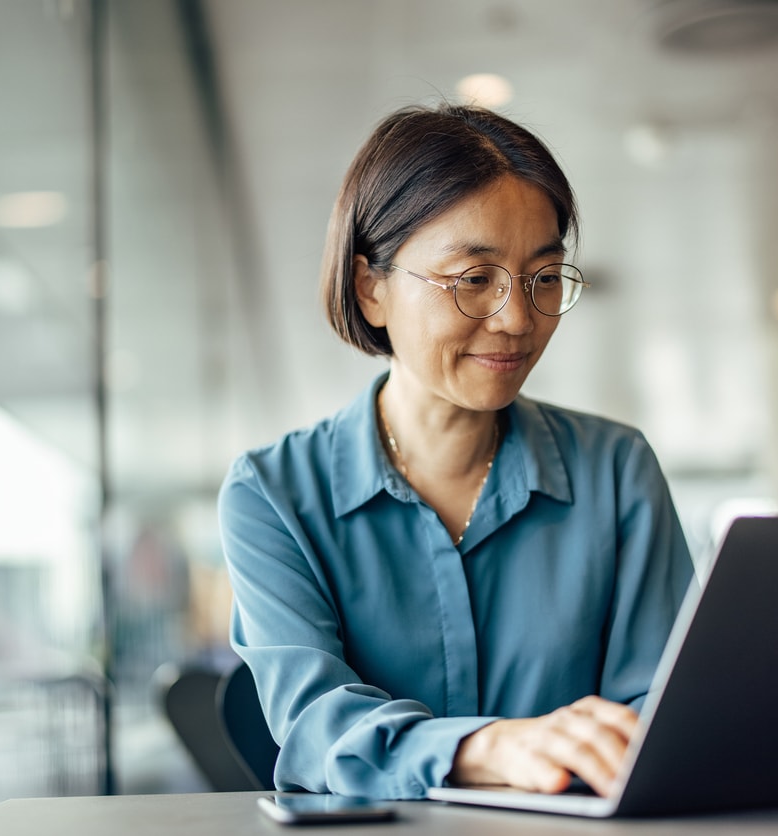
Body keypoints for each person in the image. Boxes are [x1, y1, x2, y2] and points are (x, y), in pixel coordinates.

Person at [217, 103, 694, 801]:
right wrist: (490, 746)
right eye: (474, 279)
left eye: (542, 278)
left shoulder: (615, 471)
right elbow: (316, 726)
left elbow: (659, 711)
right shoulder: (273, 493)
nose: (517, 320)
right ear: (370, 287)